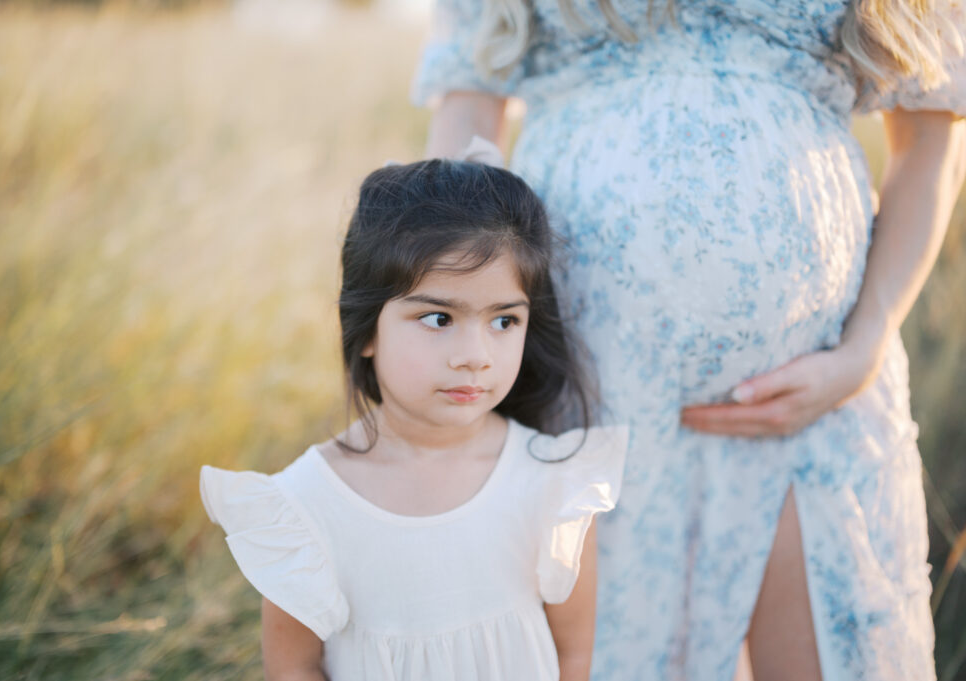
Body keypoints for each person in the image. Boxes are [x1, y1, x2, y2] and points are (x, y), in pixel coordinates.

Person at [414, 1, 966, 680]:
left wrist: (867, 343)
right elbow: (469, 110)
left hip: (816, 396)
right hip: (585, 400)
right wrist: (459, 331)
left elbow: (930, 133)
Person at [199, 159, 630, 681]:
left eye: (503, 320)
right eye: (438, 318)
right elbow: (293, 669)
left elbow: (573, 656)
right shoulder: (307, 506)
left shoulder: (554, 482)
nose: (475, 354)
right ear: (366, 331)